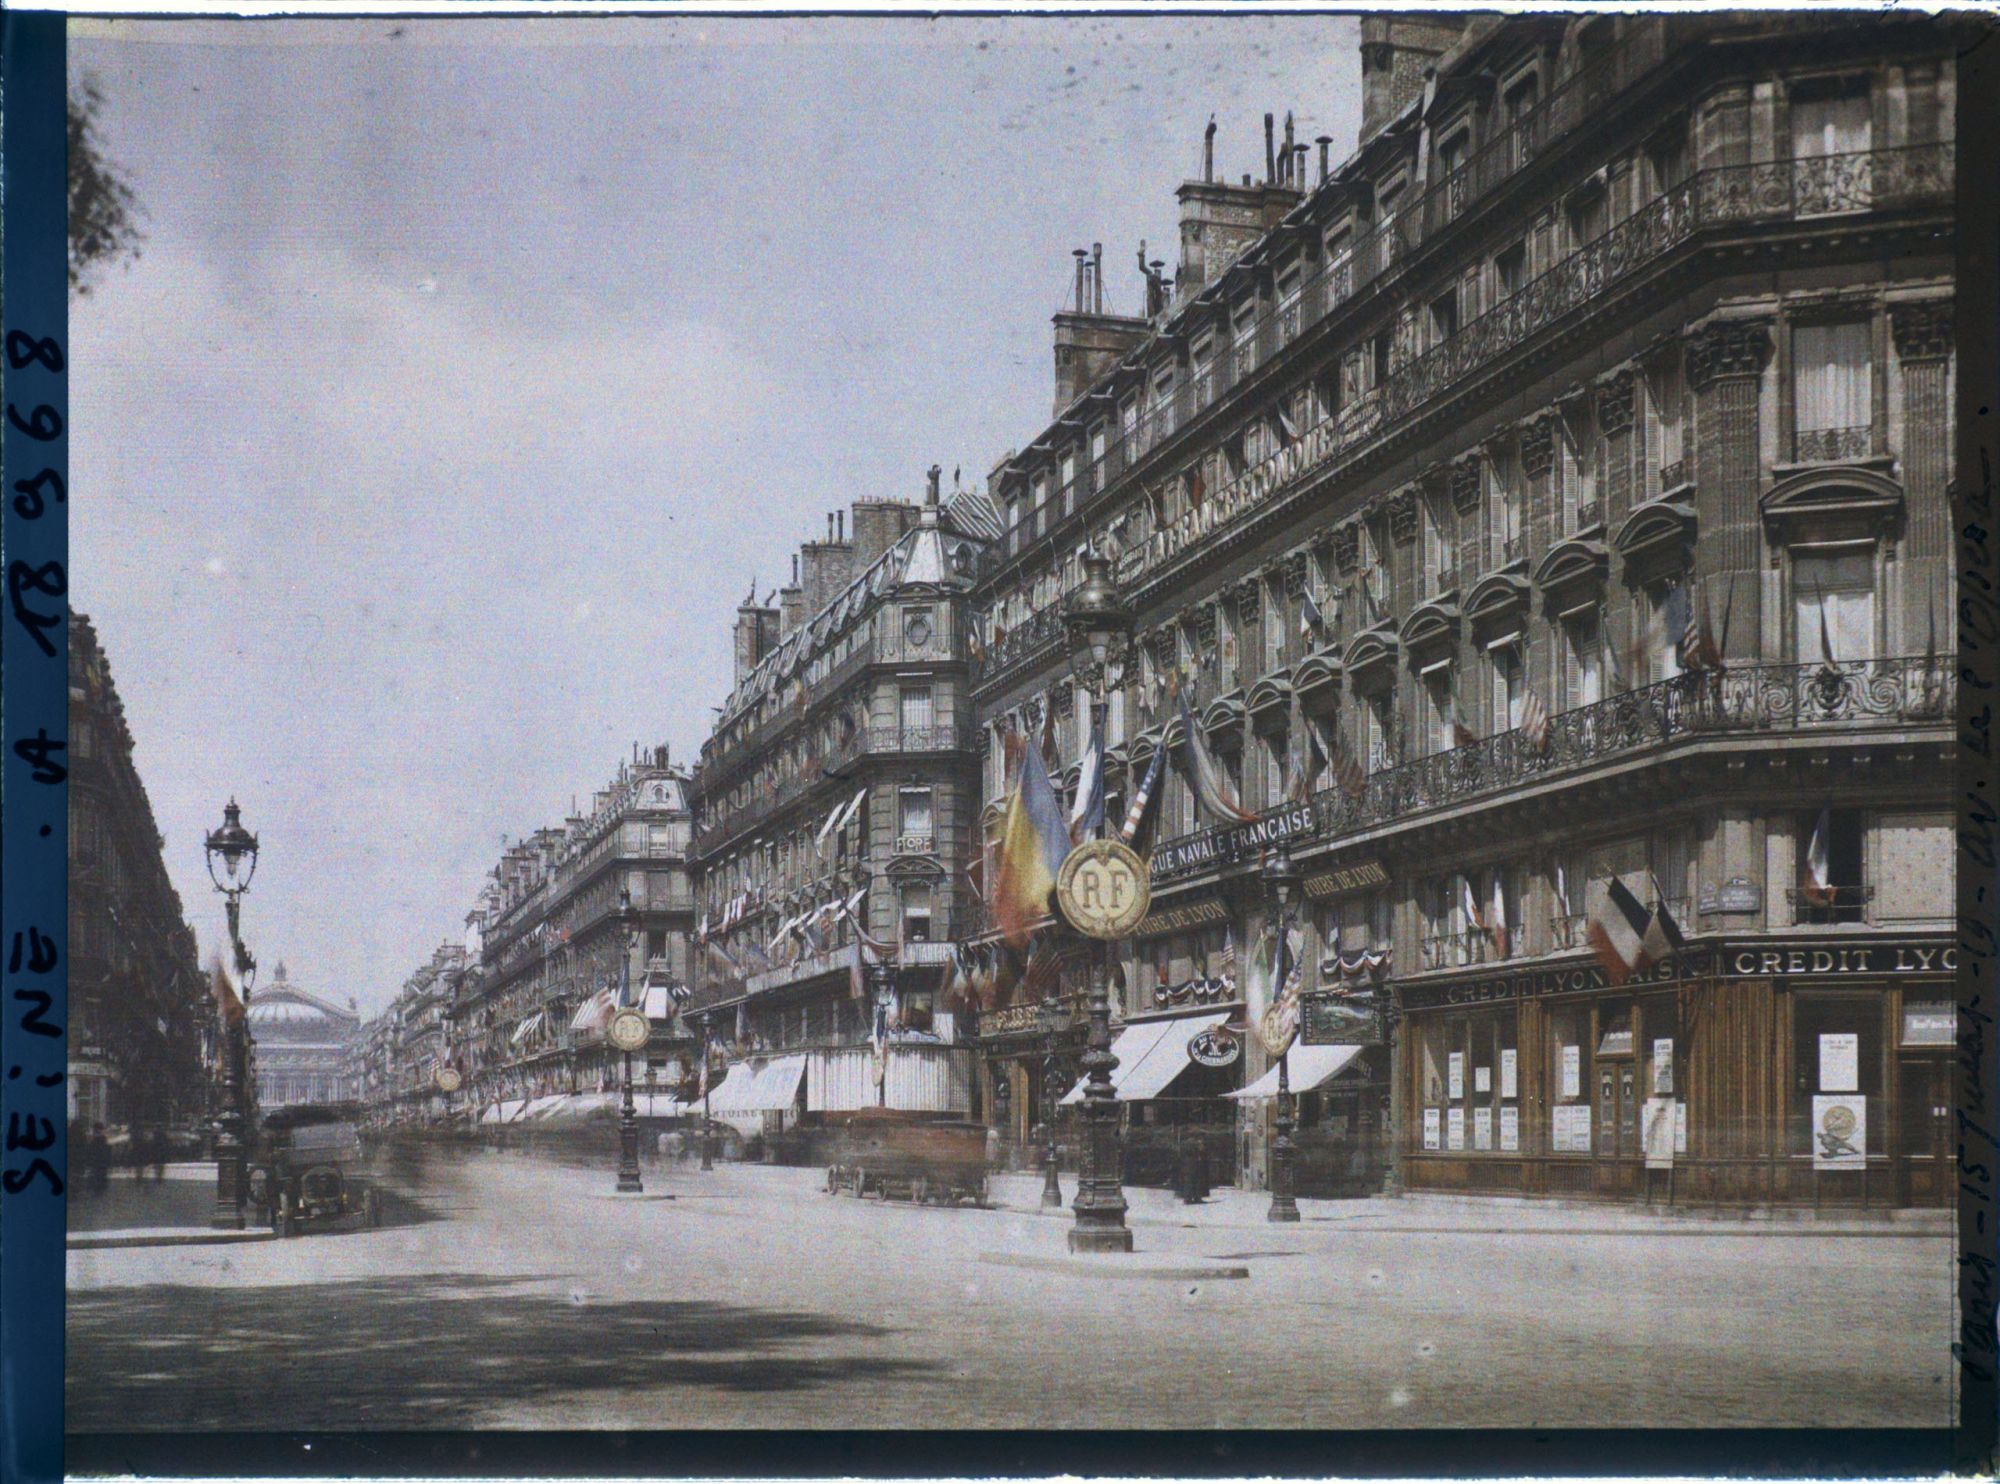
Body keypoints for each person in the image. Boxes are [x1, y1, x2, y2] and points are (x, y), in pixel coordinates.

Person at [85, 1122, 111, 1197]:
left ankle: (96, 1189)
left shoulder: (94, 1140)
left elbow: (90, 1150)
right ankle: (100, 1189)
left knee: (96, 1174)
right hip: (102, 1160)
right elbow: (106, 1150)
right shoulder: (103, 1139)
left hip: (96, 1160)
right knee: (101, 1174)